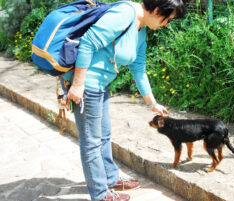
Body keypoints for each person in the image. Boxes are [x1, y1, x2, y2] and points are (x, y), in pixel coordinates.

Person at [63, 0, 186, 200]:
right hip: (87, 84)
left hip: (100, 84)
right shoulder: (124, 14)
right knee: (92, 142)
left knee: (104, 135)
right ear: (156, 10)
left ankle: (110, 178)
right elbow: (88, 43)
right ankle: (101, 194)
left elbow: (139, 68)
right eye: (168, 19)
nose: (166, 25)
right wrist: (77, 85)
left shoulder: (141, 28)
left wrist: (152, 103)